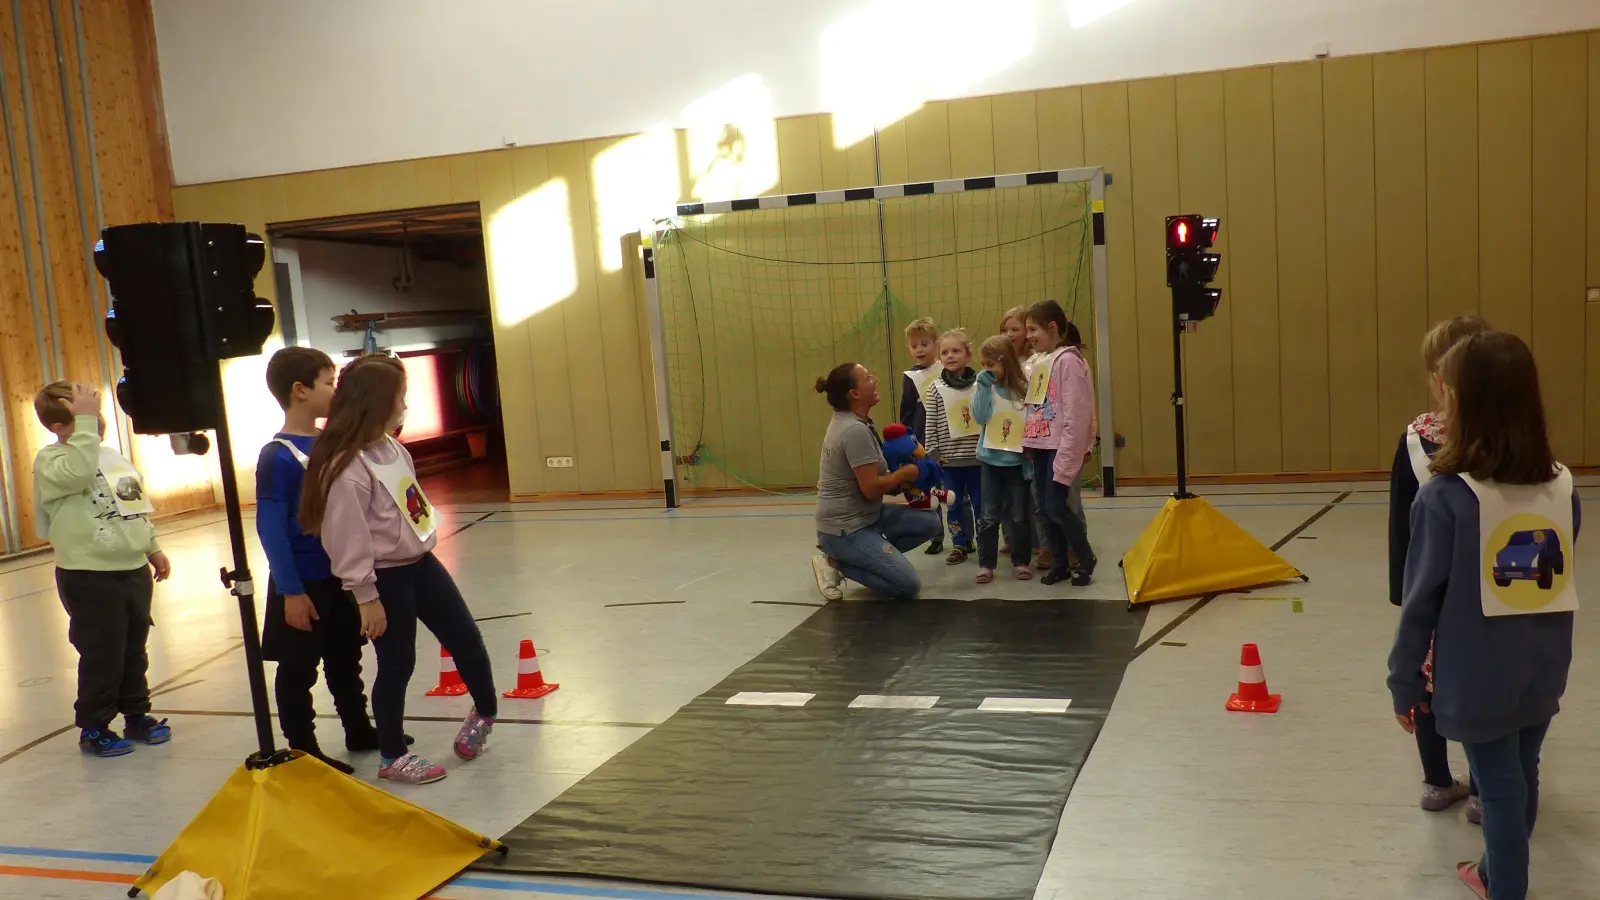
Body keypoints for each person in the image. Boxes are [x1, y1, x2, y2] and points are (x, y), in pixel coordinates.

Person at [1388, 331, 1577, 900]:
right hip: (1543, 667)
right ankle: (1495, 873)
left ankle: (1505, 888)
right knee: (1523, 775)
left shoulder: (1444, 498)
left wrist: (1403, 682)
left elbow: (1420, 601)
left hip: (1477, 678)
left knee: (1498, 789)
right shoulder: (1563, 486)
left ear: (1460, 404)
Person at [299, 354, 497, 785]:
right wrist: (366, 597)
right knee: (397, 663)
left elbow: (411, 508)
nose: (404, 405)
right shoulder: (347, 469)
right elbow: (346, 540)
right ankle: (392, 756)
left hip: (421, 565)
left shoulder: (391, 447)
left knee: (466, 637)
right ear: (376, 402)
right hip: (386, 578)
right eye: (400, 397)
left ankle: (486, 710)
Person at [256, 347, 385, 775]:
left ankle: (358, 728)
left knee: (346, 658)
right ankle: (303, 748)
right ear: (300, 391)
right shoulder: (278, 455)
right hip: (304, 582)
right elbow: (271, 528)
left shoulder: (334, 443)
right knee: (298, 669)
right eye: (329, 383)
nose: (336, 391)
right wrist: (291, 590)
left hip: (339, 577)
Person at [32, 382, 172, 757]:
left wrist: (152, 547)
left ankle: (137, 714)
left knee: (133, 648)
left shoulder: (113, 458)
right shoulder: (52, 461)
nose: (94, 425)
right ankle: (94, 727)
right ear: (58, 426)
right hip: (88, 574)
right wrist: (84, 426)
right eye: (80, 418)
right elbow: (78, 474)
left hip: (132, 569)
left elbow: (133, 504)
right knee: (102, 653)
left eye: (96, 416)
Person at [1387, 315, 1490, 820]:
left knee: (1426, 682)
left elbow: (1400, 523)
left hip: (1430, 587)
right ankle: (1480, 788)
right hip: (1494, 587)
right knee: (1475, 683)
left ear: (1438, 378)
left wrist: (1402, 591)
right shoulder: (1509, 437)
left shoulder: (1417, 437)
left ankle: (1436, 780)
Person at [811, 362, 943, 601]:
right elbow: (872, 489)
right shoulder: (854, 430)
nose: (875, 380)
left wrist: (905, 481)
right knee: (907, 585)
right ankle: (835, 563)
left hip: (867, 516)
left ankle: (869, 557)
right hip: (846, 529)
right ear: (855, 394)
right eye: (868, 378)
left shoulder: (856, 421)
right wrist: (905, 474)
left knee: (930, 523)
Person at [1022, 300, 1096, 586]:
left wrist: (1068, 458)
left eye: (1033, 329)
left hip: (1058, 449)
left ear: (1052, 327)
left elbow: (1077, 414)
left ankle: (1085, 556)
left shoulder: (1069, 361)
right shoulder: (1041, 361)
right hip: (1040, 447)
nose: (1028, 336)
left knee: (1056, 506)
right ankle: (1060, 563)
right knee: (1044, 507)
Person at [971, 334, 1032, 584]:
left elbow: (1030, 423)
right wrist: (983, 387)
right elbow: (979, 416)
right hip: (990, 462)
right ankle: (986, 564)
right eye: (983, 364)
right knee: (988, 516)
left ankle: (1022, 561)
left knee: (1019, 515)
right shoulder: (984, 386)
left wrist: (1029, 460)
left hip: (1017, 463)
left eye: (990, 364)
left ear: (1005, 361)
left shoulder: (1024, 388)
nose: (986, 369)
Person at [923, 329, 981, 565]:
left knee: (980, 504)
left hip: (978, 459)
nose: (950, 356)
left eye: (956, 351)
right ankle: (959, 543)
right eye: (945, 352)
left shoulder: (981, 384)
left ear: (967, 356)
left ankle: (983, 542)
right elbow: (931, 422)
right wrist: (933, 452)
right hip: (949, 461)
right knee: (954, 503)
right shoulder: (935, 388)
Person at [1000, 307, 1050, 570]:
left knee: (1031, 494)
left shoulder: (1034, 364)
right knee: (1007, 493)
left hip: (1028, 434)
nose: (1009, 334)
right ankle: (1011, 537)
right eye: (1005, 330)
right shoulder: (997, 363)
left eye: (1015, 329)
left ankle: (1039, 542)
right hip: (1003, 436)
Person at [899, 317, 945, 556]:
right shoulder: (910, 377)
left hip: (947, 442)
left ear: (935, 344)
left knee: (956, 490)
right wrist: (907, 441)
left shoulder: (945, 370)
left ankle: (964, 537)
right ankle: (936, 534)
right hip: (921, 444)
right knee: (929, 490)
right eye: (914, 345)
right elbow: (905, 412)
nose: (919, 349)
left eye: (924, 344)